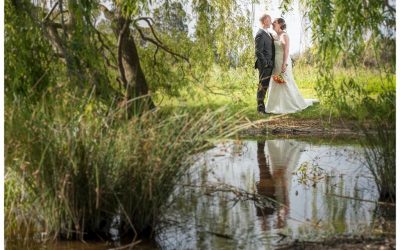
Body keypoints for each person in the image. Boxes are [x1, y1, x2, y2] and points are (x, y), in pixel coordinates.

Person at [265, 18, 317, 114]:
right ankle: (273, 106)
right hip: (275, 61)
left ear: (280, 24)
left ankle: (289, 105)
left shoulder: (284, 35)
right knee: (276, 81)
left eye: (274, 22)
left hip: (283, 61)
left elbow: (286, 50)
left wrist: (284, 64)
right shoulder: (274, 35)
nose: (272, 23)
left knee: (285, 81)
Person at [254, 14, 275, 115]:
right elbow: (258, 51)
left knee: (265, 86)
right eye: (269, 20)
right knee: (262, 86)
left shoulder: (268, 33)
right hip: (264, 65)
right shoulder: (260, 34)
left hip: (269, 64)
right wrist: (266, 63)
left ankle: (263, 108)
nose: (271, 22)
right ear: (264, 21)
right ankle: (260, 110)